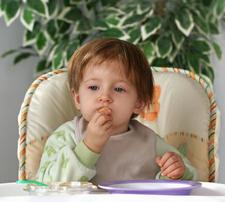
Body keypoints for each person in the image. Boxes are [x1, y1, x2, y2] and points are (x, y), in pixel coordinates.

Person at [36, 38, 197, 184]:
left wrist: (174, 173)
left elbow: (192, 177)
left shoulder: (150, 142)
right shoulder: (67, 136)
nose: (104, 97)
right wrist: (88, 147)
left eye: (119, 89)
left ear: (138, 103)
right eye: (93, 87)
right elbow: (45, 186)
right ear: (78, 99)